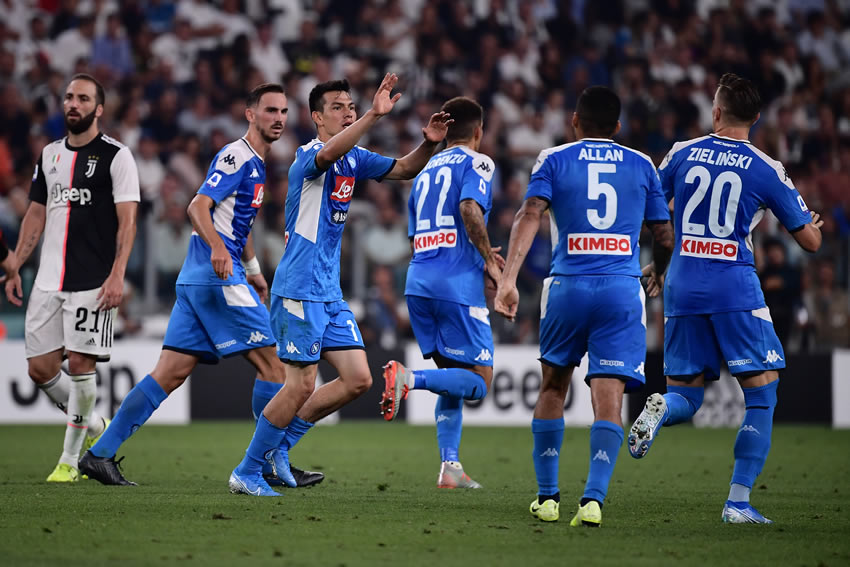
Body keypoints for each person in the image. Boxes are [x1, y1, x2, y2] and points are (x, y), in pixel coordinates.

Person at [78, 83, 316, 489]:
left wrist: (254, 267)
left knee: (168, 373)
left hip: (199, 280)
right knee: (275, 363)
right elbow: (197, 206)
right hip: (215, 278)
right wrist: (221, 250)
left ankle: (99, 455)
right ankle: (267, 463)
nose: (278, 118)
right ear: (250, 114)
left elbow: (237, 223)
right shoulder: (236, 155)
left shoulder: (258, 163)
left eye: (283, 112)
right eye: (270, 111)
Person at [228, 74, 451, 496]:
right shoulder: (308, 156)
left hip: (329, 291)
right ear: (316, 117)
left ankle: (279, 449)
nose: (347, 110)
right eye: (338, 106)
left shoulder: (356, 157)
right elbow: (330, 152)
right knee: (300, 385)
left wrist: (429, 142)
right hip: (297, 288)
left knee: (357, 379)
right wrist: (372, 115)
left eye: (351, 105)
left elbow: (404, 168)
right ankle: (248, 470)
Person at [628, 73, 823, 524]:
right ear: (756, 118)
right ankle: (737, 502)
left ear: (716, 112)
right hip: (734, 285)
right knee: (762, 395)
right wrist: (811, 223)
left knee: (687, 398)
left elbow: (651, 214)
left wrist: (657, 265)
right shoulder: (764, 167)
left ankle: (660, 407)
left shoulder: (681, 153)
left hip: (682, 283)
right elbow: (810, 242)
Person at [494, 86, 674, 526]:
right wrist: (658, 270)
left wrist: (508, 279)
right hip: (621, 290)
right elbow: (664, 235)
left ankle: (548, 497)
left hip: (567, 288)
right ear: (617, 126)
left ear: (574, 120)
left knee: (554, 387)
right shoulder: (641, 164)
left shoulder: (553, 159)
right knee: (608, 397)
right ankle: (592, 500)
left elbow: (529, 213)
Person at [4, 74, 140, 483]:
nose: (73, 104)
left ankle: (70, 460)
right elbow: (36, 214)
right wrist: (16, 265)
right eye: (68, 97)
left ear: (99, 109)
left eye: (83, 98)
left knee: (81, 364)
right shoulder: (48, 155)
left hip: (93, 282)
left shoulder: (118, 156)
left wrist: (117, 275)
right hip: (48, 281)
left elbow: (128, 221)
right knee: (39, 370)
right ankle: (93, 423)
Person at [380, 96, 503, 489]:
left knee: (453, 373)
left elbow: (417, 234)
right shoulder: (478, 161)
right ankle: (407, 379)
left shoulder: (426, 168)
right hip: (456, 286)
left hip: (419, 283)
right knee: (479, 382)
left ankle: (450, 466)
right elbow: (470, 209)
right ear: (478, 131)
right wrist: (488, 258)